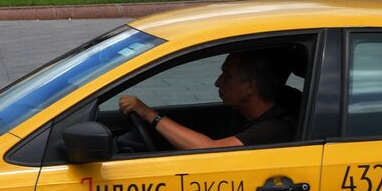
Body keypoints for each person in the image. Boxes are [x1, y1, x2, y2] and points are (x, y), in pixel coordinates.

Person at [118, 51, 297, 151]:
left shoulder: (275, 129)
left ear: (250, 87)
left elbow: (209, 149)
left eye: (227, 76)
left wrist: (149, 114)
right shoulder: (244, 114)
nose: (217, 82)